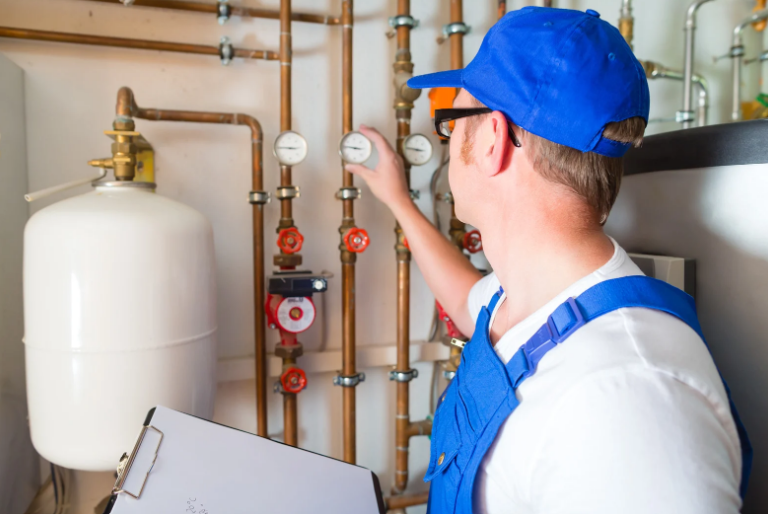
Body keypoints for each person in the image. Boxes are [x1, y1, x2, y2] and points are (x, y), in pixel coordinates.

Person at [346, 6, 751, 514]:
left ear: (493, 139)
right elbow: (469, 300)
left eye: (451, 121)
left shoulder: (624, 403)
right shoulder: (527, 296)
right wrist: (398, 201)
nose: (449, 144)